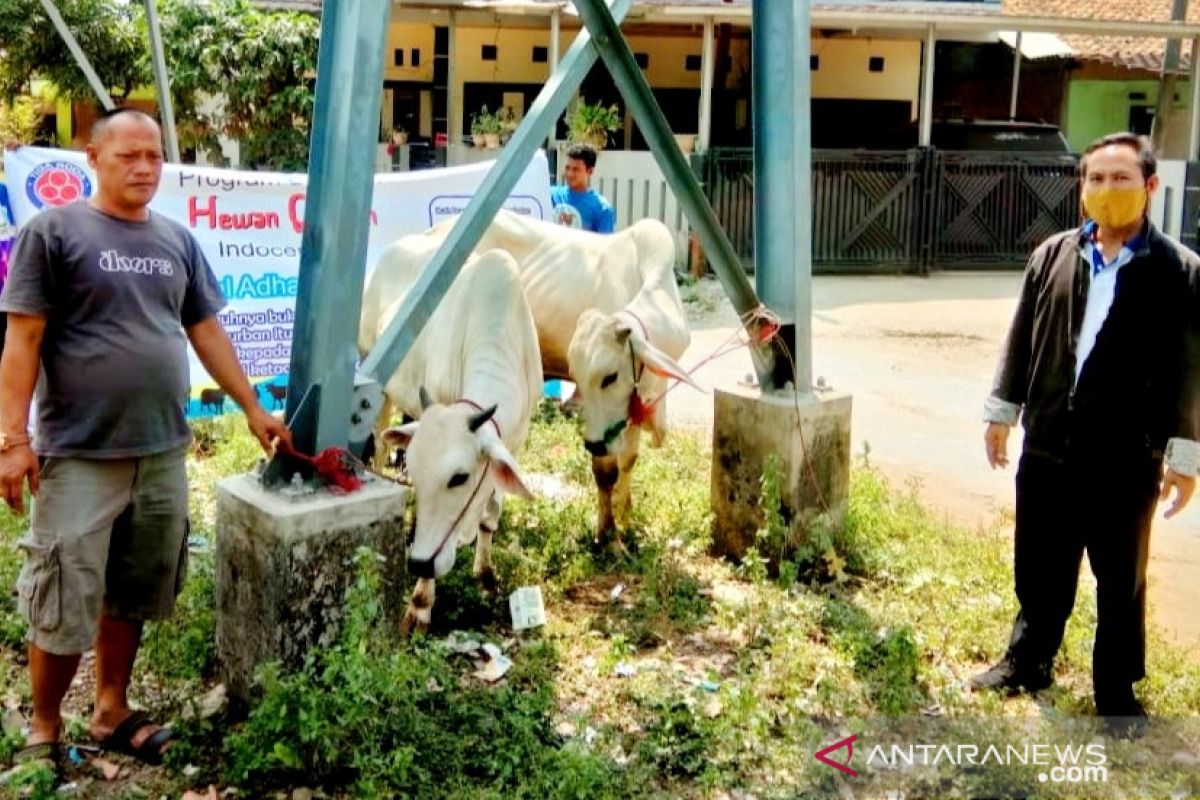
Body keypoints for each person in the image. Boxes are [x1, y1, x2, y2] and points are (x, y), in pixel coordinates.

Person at [0, 108, 292, 771]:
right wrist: (11, 439)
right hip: (80, 453)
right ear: (93, 157)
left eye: (154, 156)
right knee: (61, 594)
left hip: (161, 450)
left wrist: (252, 405)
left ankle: (110, 708)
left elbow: (206, 330)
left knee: (132, 590)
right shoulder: (52, 232)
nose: (143, 167)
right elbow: (22, 339)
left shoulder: (176, 240)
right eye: (128, 154)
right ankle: (43, 730)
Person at [973, 132, 1199, 727]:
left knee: (1121, 578)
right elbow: (1022, 336)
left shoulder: (1179, 271)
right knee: (1039, 563)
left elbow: (1189, 367)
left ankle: (1117, 691)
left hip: (1126, 456)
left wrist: (1185, 452)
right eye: (1094, 179)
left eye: (1120, 178)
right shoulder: (1054, 254)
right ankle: (1028, 661)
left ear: (1150, 187)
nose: (1105, 190)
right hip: (1048, 444)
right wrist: (1002, 408)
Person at [550, 143, 615, 234]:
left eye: (576, 169)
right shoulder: (551, 194)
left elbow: (604, 246)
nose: (570, 174)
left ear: (590, 171)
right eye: (567, 168)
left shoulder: (603, 209)